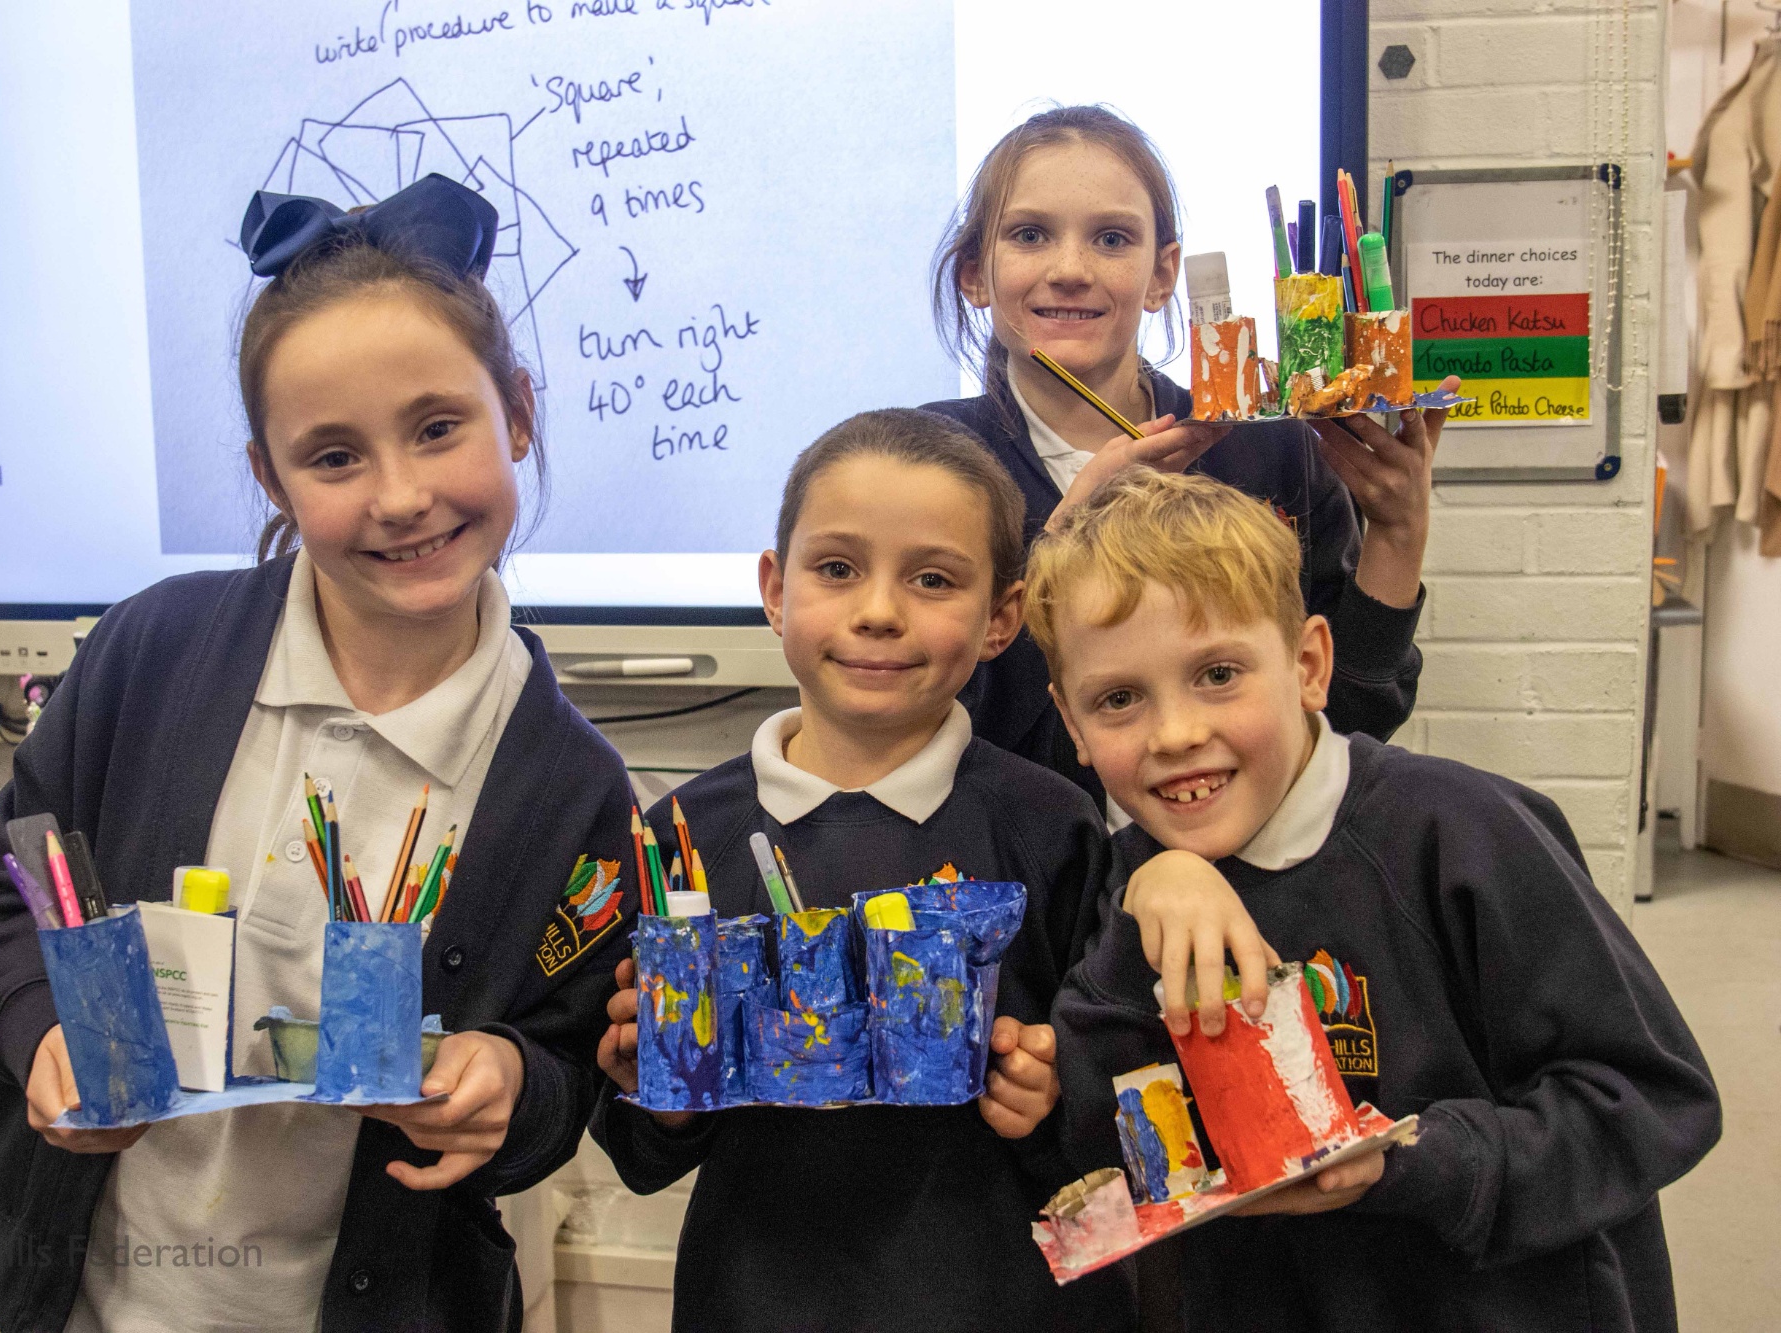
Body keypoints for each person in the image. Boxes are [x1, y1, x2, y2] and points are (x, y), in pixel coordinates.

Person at [0, 176, 636, 1333]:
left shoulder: (569, 790)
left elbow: (570, 1063)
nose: (401, 496)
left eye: (436, 428)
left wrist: (511, 1090)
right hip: (92, 1305)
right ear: (269, 477)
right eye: (332, 457)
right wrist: (45, 1033)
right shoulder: (147, 655)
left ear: (517, 411)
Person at [1037, 467, 1721, 1329]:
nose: (1175, 734)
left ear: (1310, 664)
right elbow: (1105, 1138)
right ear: (1074, 725)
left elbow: (1654, 1099)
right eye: (1120, 699)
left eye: (1217, 673)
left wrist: (1414, 1159)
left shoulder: (1466, 831)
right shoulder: (1134, 874)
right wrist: (1143, 906)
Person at [591, 409, 1132, 1330]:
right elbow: (644, 1147)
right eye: (837, 569)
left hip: (1002, 1296)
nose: (879, 609)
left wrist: (1051, 1097)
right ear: (775, 587)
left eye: (932, 578)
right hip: (758, 1296)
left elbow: (1112, 1105)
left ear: (1003, 616)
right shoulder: (681, 836)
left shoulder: (1053, 826)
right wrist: (656, 1089)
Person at [925, 104, 1454, 804]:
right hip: (1023, 886)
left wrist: (1398, 533)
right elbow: (943, 721)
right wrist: (1073, 523)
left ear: (1162, 274)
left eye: (1112, 238)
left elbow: (1348, 721)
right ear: (975, 274)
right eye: (1029, 234)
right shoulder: (932, 468)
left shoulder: (1265, 445)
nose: (1071, 269)